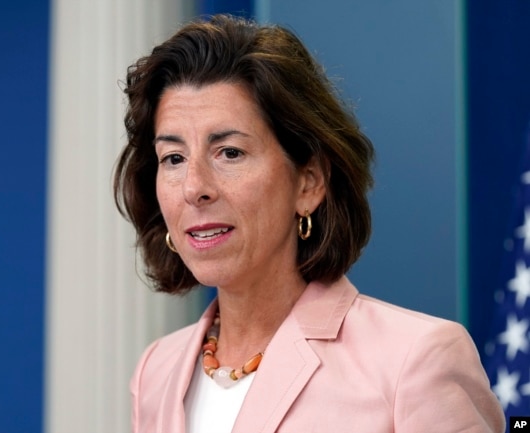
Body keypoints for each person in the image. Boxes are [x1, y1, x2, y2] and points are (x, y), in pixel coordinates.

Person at [114, 14, 505, 433]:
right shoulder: (157, 370)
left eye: (229, 152)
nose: (194, 188)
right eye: (173, 158)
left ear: (309, 182)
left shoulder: (416, 359)